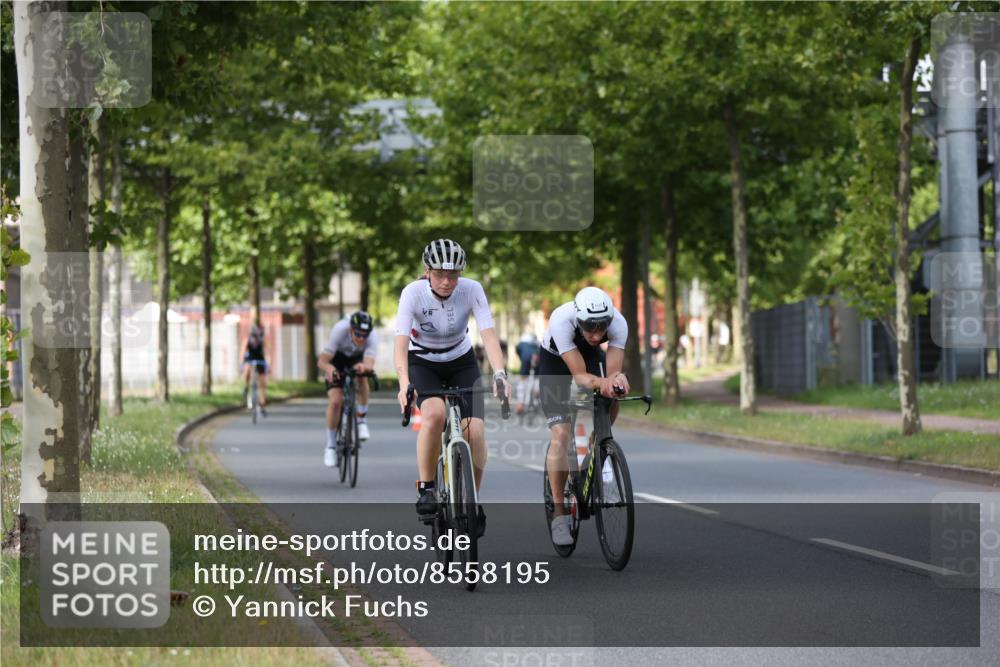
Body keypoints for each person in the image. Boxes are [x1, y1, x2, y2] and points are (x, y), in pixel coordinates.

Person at [394, 238, 511, 528]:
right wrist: (404, 383)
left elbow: (488, 334)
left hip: (461, 360)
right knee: (434, 415)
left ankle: (473, 500)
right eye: (440, 274)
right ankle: (427, 487)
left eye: (453, 275)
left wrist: (500, 374)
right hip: (423, 362)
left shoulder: (472, 290)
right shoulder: (413, 293)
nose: (447, 281)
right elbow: (400, 344)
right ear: (427, 271)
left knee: (476, 431)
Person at [538, 286, 630, 546]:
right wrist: (600, 382)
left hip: (590, 357)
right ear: (579, 320)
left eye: (603, 326)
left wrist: (616, 381)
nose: (598, 333)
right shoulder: (561, 320)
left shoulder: (619, 323)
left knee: (611, 392)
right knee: (562, 434)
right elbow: (579, 376)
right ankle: (558, 514)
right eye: (590, 327)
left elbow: (611, 374)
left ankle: (598, 447)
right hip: (556, 360)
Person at [318, 311, 377, 467]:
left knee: (363, 376)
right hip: (337, 359)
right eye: (358, 334)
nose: (361, 338)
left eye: (365, 335)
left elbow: (370, 365)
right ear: (351, 329)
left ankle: (361, 420)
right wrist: (331, 370)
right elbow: (322, 362)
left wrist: (364, 367)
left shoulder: (372, 336)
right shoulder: (339, 330)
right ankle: (330, 446)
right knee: (336, 401)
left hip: (357, 360)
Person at [242, 324, 268, 415]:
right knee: (247, 370)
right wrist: (242, 362)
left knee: (262, 384)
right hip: (250, 360)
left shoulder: (262, 341)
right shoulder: (247, 340)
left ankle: (262, 405)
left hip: (260, 361)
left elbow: (266, 352)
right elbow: (243, 351)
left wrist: (269, 365)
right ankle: (246, 387)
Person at [514, 332, 540, 414]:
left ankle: (521, 403)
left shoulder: (521, 345)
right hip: (536, 355)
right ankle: (535, 399)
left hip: (527, 355)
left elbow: (519, 352)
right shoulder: (536, 344)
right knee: (537, 378)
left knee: (523, 379)